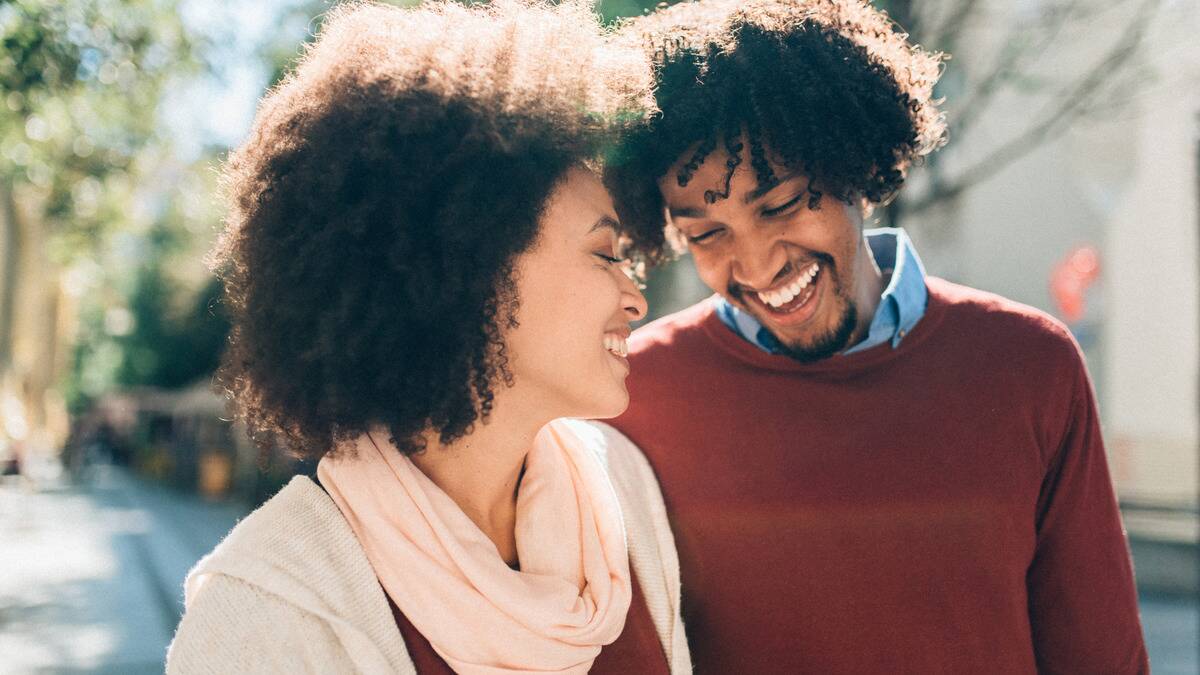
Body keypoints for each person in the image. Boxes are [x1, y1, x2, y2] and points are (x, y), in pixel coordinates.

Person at [600, 1, 1149, 673]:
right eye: (707, 234)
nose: (761, 264)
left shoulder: (1029, 366)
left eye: (780, 205)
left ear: (853, 167)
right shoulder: (637, 400)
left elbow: (1102, 657)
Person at [166, 2, 691, 673]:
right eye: (603, 253)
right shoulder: (263, 617)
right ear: (472, 267)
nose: (635, 296)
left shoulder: (625, 487)